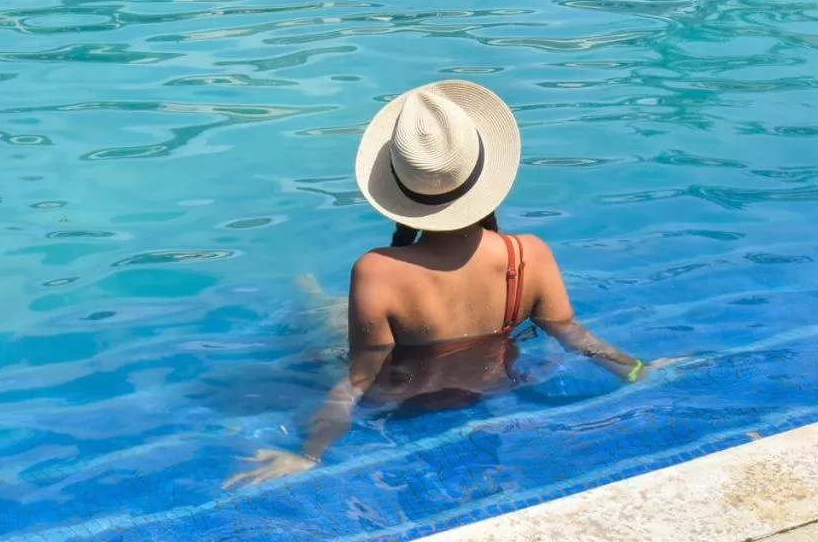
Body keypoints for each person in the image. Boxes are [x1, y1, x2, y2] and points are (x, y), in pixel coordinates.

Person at [226, 81, 652, 488]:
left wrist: (309, 455)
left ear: (398, 191)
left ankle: (311, 296)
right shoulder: (528, 256)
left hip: (400, 404)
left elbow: (356, 383)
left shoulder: (377, 270)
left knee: (323, 323)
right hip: (489, 389)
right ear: (483, 175)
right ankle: (313, 296)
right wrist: (636, 370)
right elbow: (576, 338)